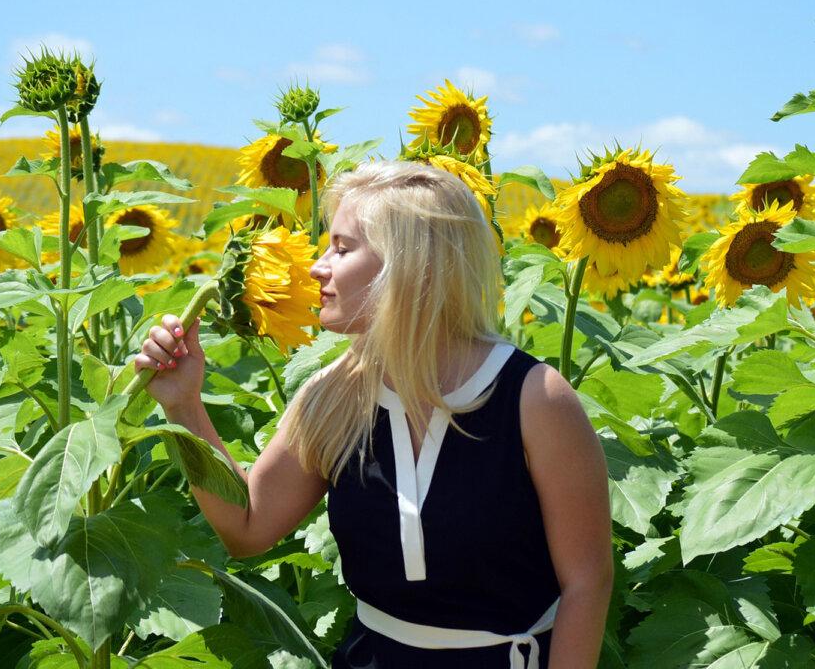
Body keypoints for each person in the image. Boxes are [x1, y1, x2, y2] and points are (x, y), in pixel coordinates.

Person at [134, 160, 613, 668]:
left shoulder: (535, 399)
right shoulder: (334, 393)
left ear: (410, 264)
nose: (319, 266)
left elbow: (586, 581)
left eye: (341, 248)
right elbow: (248, 527)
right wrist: (184, 407)